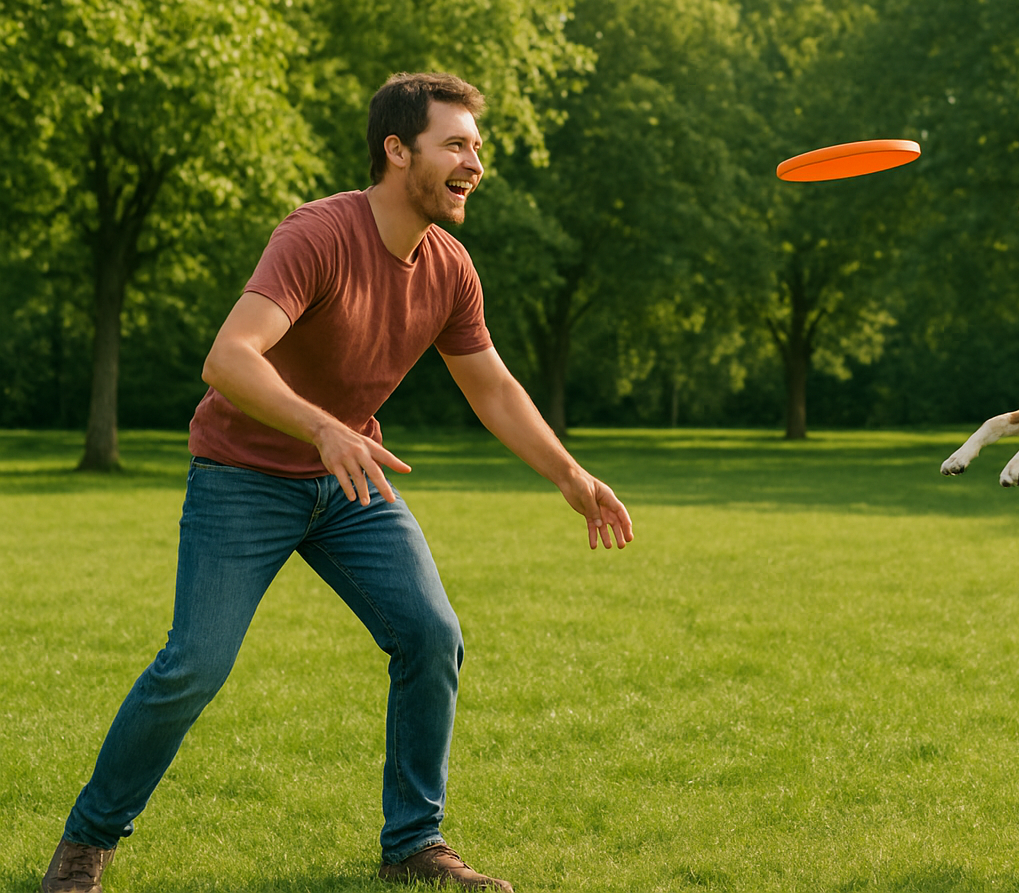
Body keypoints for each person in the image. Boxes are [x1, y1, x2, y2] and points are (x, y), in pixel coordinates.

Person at [40, 72, 634, 893]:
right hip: (245, 474)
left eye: (477, 148)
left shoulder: (450, 268)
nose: (476, 165)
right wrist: (321, 426)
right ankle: (86, 844)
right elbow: (229, 357)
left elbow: (490, 383)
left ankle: (413, 844)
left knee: (431, 636)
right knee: (194, 665)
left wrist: (569, 474)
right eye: (456, 145)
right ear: (398, 150)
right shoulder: (317, 235)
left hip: (347, 485)